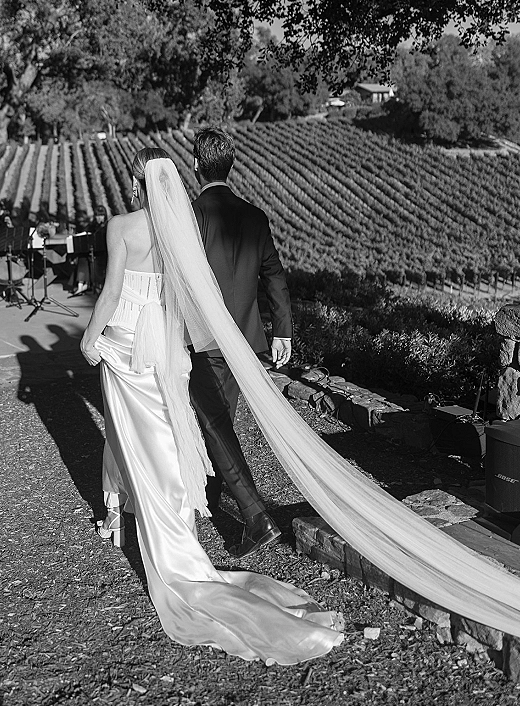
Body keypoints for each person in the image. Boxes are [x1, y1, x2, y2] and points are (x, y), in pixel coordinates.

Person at [80, 148, 344, 665]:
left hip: (138, 344)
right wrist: (270, 331)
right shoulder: (187, 227)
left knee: (145, 430)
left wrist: (90, 339)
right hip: (182, 344)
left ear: (137, 183)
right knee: (180, 430)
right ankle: (190, 515)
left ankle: (152, 516)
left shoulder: (127, 226)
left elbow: (110, 294)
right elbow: (211, 289)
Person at [189, 128, 291, 558]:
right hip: (245, 340)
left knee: (214, 422)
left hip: (204, 338)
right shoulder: (255, 216)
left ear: (196, 165)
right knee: (222, 417)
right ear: (230, 166)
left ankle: (255, 516)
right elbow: (274, 274)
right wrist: (282, 330)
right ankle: (211, 495)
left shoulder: (191, 216)